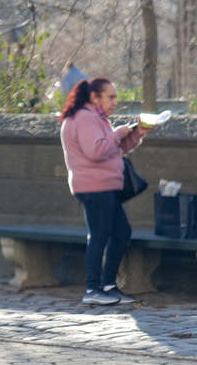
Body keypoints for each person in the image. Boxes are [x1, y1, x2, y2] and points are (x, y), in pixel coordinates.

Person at [59, 77, 149, 306]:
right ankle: (92, 289)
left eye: (115, 97)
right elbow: (97, 151)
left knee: (121, 233)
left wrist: (138, 132)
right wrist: (118, 133)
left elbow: (115, 150)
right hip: (94, 186)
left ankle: (108, 285)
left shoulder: (97, 119)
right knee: (99, 236)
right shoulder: (84, 118)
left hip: (106, 187)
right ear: (94, 97)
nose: (115, 102)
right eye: (110, 97)